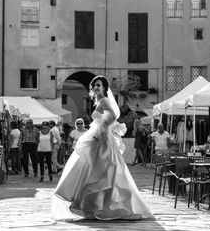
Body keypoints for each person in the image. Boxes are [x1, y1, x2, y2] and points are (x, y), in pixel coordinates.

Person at [52, 76, 153, 220]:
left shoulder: (104, 100)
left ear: (105, 88)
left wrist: (101, 126)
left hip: (102, 138)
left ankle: (100, 207)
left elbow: (111, 116)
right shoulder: (99, 101)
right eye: (95, 85)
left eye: (99, 85)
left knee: (101, 172)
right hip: (99, 136)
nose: (97, 88)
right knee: (96, 171)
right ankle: (98, 207)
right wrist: (100, 126)